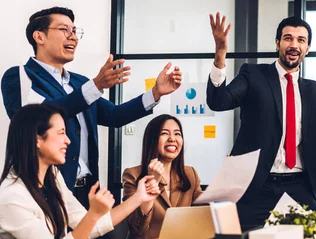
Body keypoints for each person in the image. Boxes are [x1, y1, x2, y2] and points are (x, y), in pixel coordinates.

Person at [207, 12, 316, 229]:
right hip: (257, 185)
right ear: (277, 43)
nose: (294, 45)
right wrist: (221, 53)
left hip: (300, 186)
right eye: (288, 38)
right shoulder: (253, 75)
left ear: (307, 48)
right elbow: (218, 101)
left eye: (301, 40)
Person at [1, 6, 182, 207]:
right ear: (39, 36)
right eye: (64, 30)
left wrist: (155, 93)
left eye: (75, 31)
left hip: (89, 191)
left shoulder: (80, 83)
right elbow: (40, 117)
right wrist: (95, 86)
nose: (73, 37)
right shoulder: (19, 77)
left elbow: (114, 115)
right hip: (46, 190)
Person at [0, 104, 161, 238]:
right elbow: (89, 223)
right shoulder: (11, 197)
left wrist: (139, 197)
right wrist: (93, 215)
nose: (68, 141)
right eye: (61, 133)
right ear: (37, 140)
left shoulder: (53, 177)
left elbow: (91, 225)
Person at [122, 114, 203, 239]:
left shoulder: (190, 173)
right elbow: (137, 230)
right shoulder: (132, 175)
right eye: (164, 133)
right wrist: (151, 181)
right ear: (152, 140)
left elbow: (204, 212)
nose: (172, 139)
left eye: (177, 134)